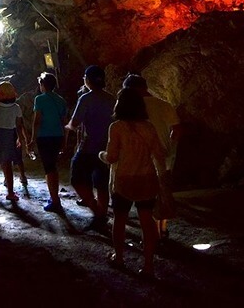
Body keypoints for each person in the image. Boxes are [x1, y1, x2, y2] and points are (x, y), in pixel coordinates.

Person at [99, 87, 167, 278]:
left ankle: (119, 257)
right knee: (147, 223)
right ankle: (148, 266)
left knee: (120, 220)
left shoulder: (117, 127)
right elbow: (159, 154)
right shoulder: (149, 127)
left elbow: (111, 157)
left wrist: (101, 154)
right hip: (147, 179)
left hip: (124, 181)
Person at [124, 73, 181, 240]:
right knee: (162, 194)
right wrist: (170, 146)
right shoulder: (163, 104)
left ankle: (151, 234)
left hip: (141, 158)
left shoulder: (132, 108)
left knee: (145, 198)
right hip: (163, 157)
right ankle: (162, 229)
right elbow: (177, 129)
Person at [66, 64, 116, 231]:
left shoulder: (85, 99)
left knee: (76, 179)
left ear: (87, 80)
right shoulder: (112, 99)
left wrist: (67, 127)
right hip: (107, 147)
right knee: (102, 183)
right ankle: (101, 214)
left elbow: (74, 123)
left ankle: (97, 211)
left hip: (88, 148)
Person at [30, 72, 68, 212]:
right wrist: (64, 140)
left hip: (44, 137)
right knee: (52, 167)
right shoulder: (61, 100)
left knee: (49, 168)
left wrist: (32, 139)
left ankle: (55, 201)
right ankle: (54, 197)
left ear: (43, 85)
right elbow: (64, 123)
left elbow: (37, 121)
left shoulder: (39, 99)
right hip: (57, 136)